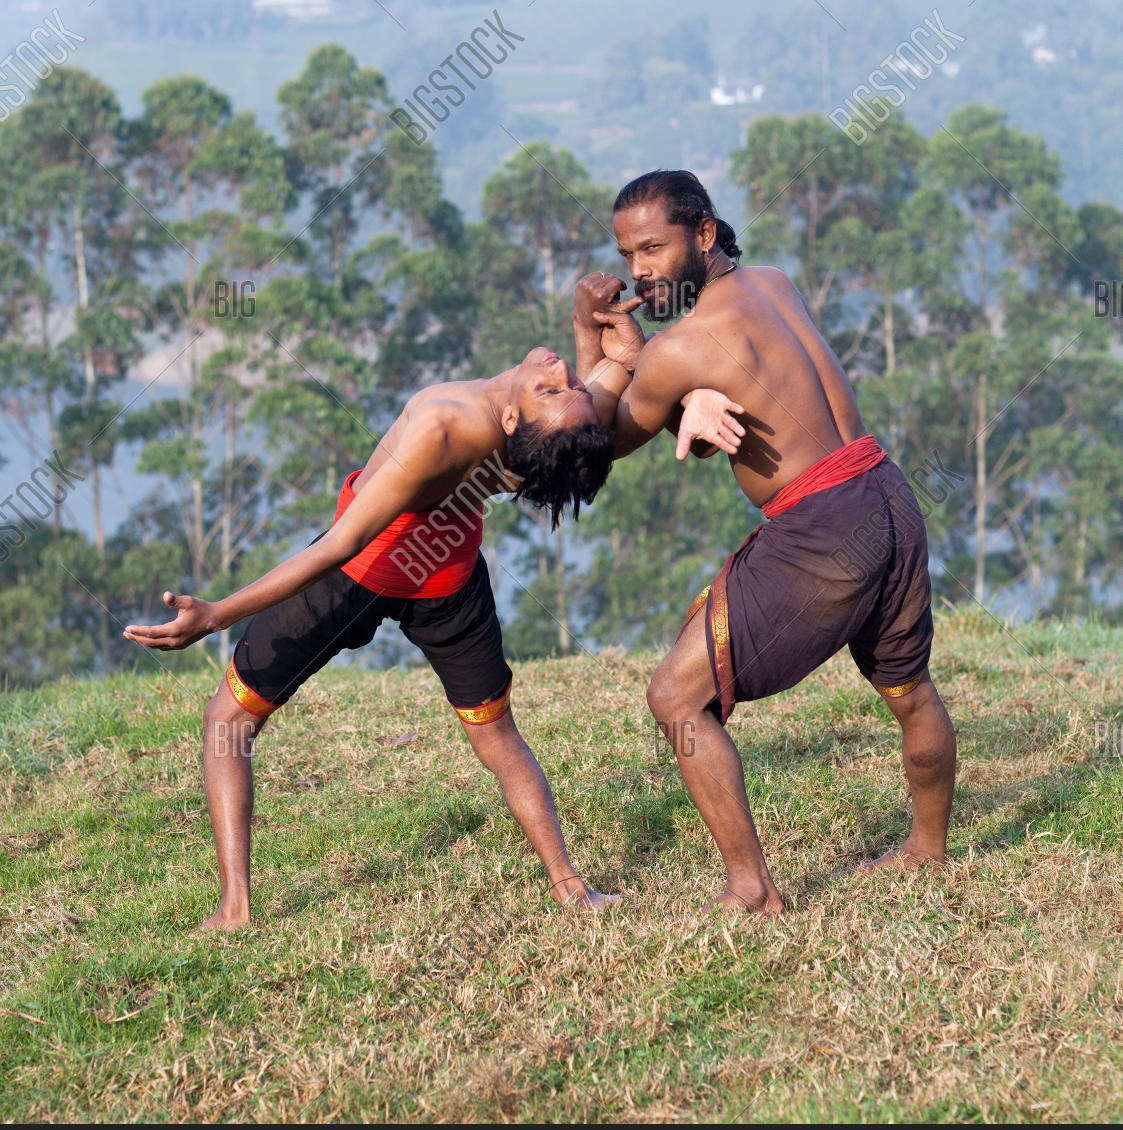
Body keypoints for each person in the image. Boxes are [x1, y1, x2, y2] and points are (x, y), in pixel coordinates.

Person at [124, 348, 628, 928]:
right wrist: (599, 332)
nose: (560, 371)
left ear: (513, 421)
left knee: (227, 719)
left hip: (364, 570)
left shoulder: (445, 427)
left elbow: (342, 543)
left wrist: (217, 615)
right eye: (564, 385)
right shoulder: (541, 440)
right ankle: (570, 891)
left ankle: (235, 909)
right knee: (497, 737)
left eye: (557, 389)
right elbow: (601, 393)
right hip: (450, 573)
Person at [573, 170, 956, 916]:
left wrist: (596, 340)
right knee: (910, 691)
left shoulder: (678, 349)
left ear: (704, 233)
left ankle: (751, 890)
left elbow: (596, 441)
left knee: (675, 697)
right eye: (627, 256)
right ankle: (928, 850)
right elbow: (736, 368)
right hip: (886, 493)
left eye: (652, 248)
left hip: (822, 527)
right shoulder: (775, 283)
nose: (639, 271)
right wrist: (667, 374)